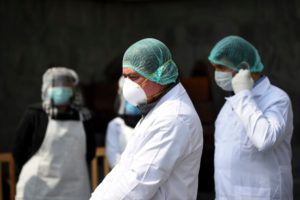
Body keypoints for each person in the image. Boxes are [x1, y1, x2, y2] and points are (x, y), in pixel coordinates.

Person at [90, 38, 203, 200]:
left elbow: (138, 183)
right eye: (125, 77)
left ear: (159, 74)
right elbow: (123, 169)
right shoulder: (157, 109)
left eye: (134, 77)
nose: (127, 84)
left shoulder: (173, 119)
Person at [208, 35, 293, 199]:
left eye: (221, 67)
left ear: (243, 67)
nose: (217, 74)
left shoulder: (277, 99)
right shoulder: (231, 103)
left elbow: (265, 138)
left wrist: (243, 94)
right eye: (214, 68)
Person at [13, 67, 96, 200]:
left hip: (75, 189)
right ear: (47, 88)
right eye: (56, 84)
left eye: (66, 84)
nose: (61, 88)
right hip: (39, 187)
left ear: (73, 89)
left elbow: (90, 151)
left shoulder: (84, 116)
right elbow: (19, 150)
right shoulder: (35, 114)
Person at [105, 77, 141, 168]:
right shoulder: (115, 125)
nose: (133, 102)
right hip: (123, 177)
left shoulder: (149, 121)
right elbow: (113, 159)